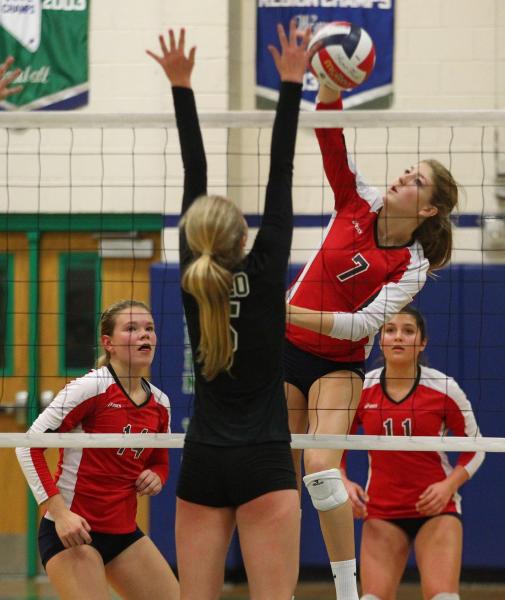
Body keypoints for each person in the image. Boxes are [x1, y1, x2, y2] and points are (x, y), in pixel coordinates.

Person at [146, 21, 309, 600]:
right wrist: (293, 84)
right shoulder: (265, 271)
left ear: (194, 237)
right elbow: (281, 172)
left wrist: (181, 86)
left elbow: (195, 173)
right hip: (265, 458)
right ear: (242, 233)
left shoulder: (195, 279)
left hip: (205, 461)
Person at [284, 83, 459, 599]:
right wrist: (330, 91)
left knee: (320, 468)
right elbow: (330, 138)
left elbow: (362, 327)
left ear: (427, 210)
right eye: (408, 171)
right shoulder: (355, 199)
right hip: (284, 351)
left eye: (417, 181)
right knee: (275, 478)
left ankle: (345, 589)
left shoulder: (413, 265)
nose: (403, 177)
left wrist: (286, 311)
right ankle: (278, 586)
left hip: (338, 365)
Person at [16, 300, 179, 600]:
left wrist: (157, 476)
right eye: (132, 328)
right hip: (73, 532)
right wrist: (61, 514)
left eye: (149, 329)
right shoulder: (91, 388)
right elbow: (28, 446)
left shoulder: (160, 403)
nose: (144, 335)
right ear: (109, 343)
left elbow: (160, 462)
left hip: (123, 534)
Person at [342, 306, 485, 600]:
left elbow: (476, 447)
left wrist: (449, 486)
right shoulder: (361, 388)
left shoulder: (444, 388)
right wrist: (342, 481)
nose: (398, 337)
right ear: (380, 339)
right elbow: (334, 442)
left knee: (444, 598)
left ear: (422, 343)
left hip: (436, 510)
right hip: (381, 511)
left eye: (408, 331)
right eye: (390, 330)